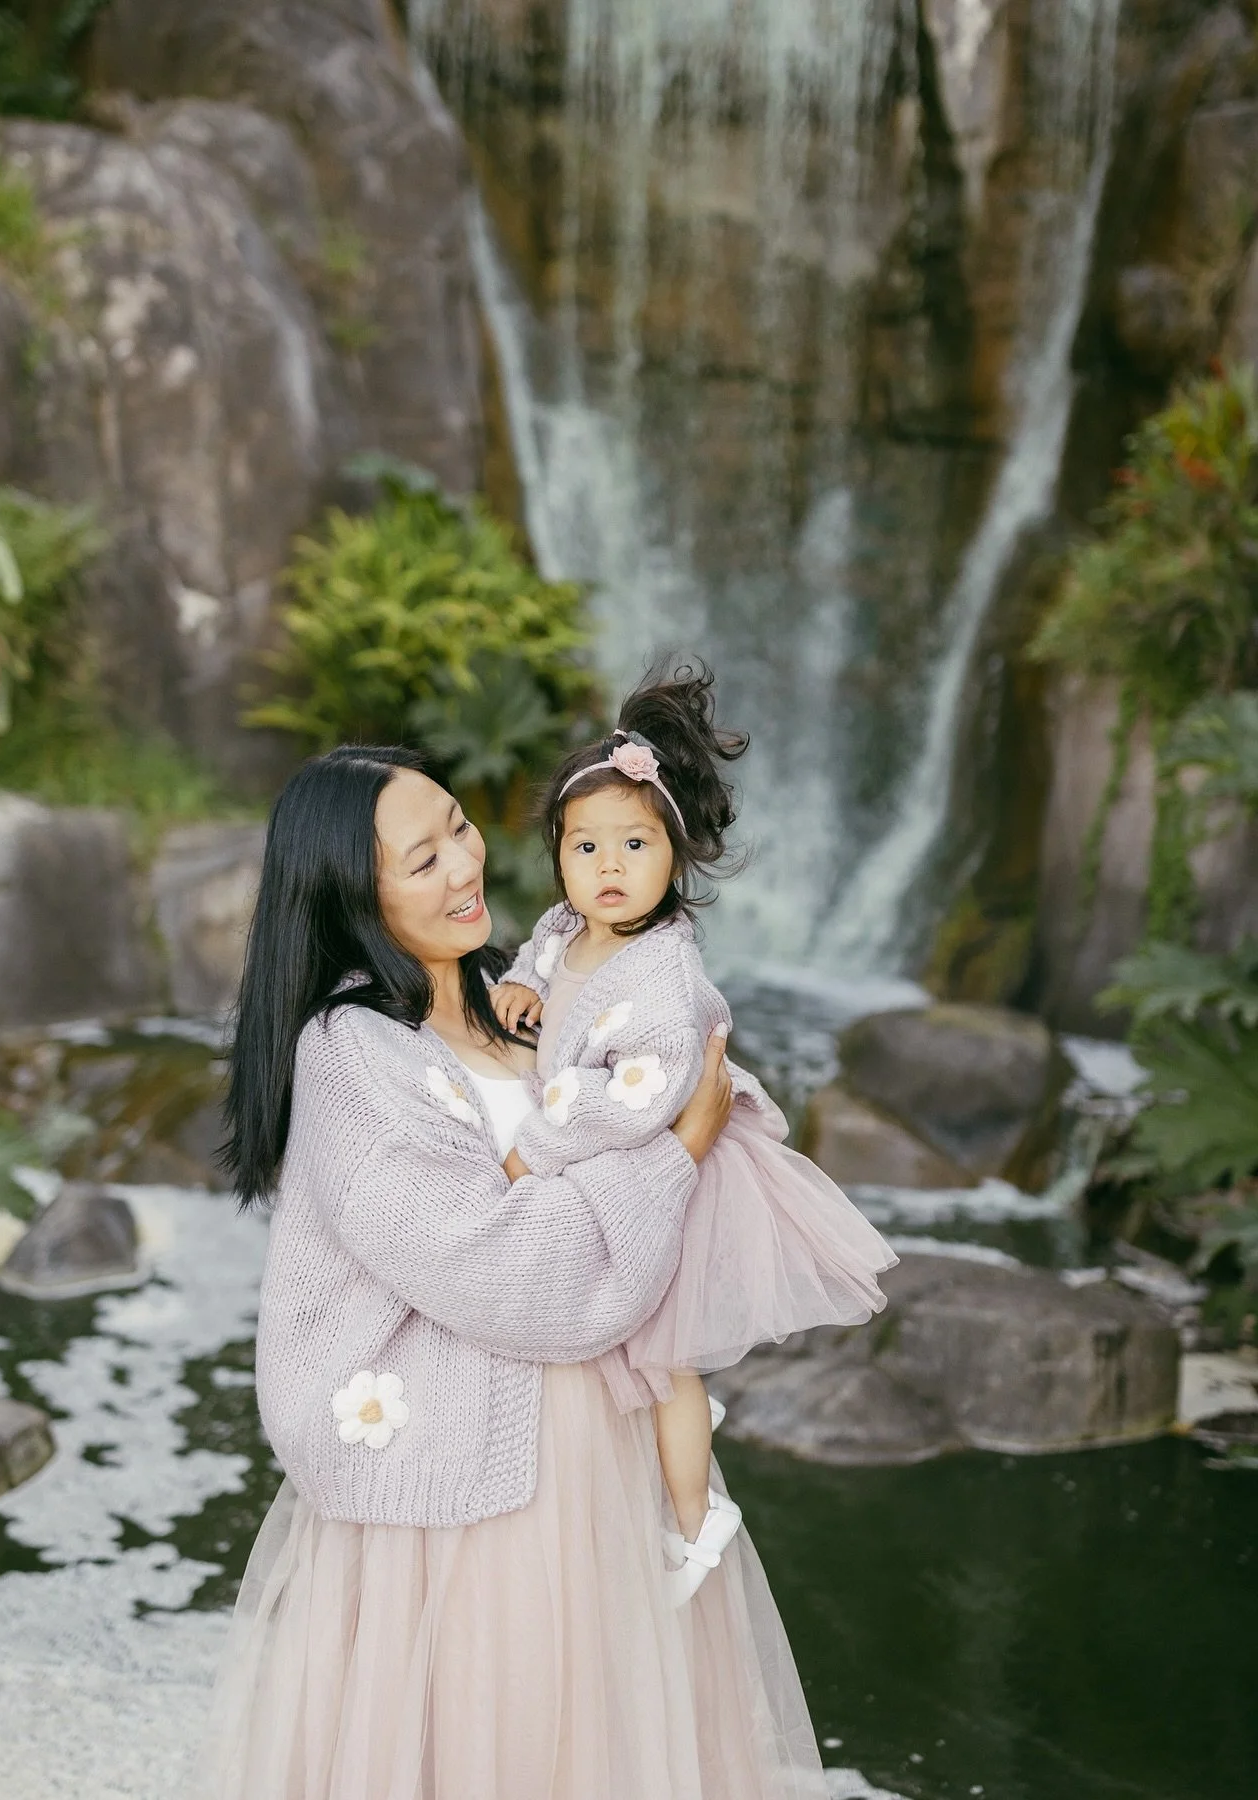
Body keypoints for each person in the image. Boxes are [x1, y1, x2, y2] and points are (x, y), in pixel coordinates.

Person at [194, 741, 830, 1799]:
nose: (462, 863)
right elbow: (503, 1270)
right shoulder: (354, 1056)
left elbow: (658, 1077)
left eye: (458, 825)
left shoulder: (520, 996)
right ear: (354, 893)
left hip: (597, 1462)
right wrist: (678, 1152)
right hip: (462, 1505)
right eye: (421, 857)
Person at [493, 663, 896, 1601]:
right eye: (585, 847)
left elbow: (626, 1104)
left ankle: (694, 1518)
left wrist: (529, 1151)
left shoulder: (665, 987)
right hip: (617, 1177)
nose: (608, 868)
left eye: (634, 845)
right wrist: (519, 982)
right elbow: (539, 954)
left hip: (663, 1181)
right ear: (558, 855)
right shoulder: (565, 929)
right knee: (638, 1359)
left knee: (660, 1356)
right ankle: (668, 1468)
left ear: (677, 855)